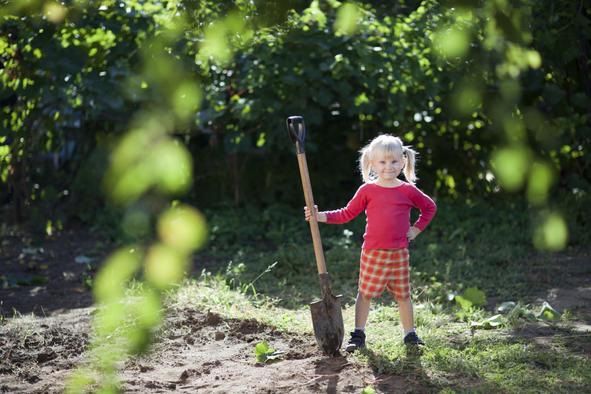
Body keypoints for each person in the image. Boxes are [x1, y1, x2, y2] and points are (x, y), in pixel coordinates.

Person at [304, 134, 436, 352]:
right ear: (372, 163)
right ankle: (358, 334)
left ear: (403, 161)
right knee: (365, 294)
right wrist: (319, 216)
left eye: (394, 161)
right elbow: (346, 213)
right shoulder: (367, 190)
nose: (388, 167)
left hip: (399, 253)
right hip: (373, 253)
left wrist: (416, 229)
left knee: (404, 295)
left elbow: (429, 207)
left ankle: (410, 334)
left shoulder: (407, 190)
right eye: (382, 162)